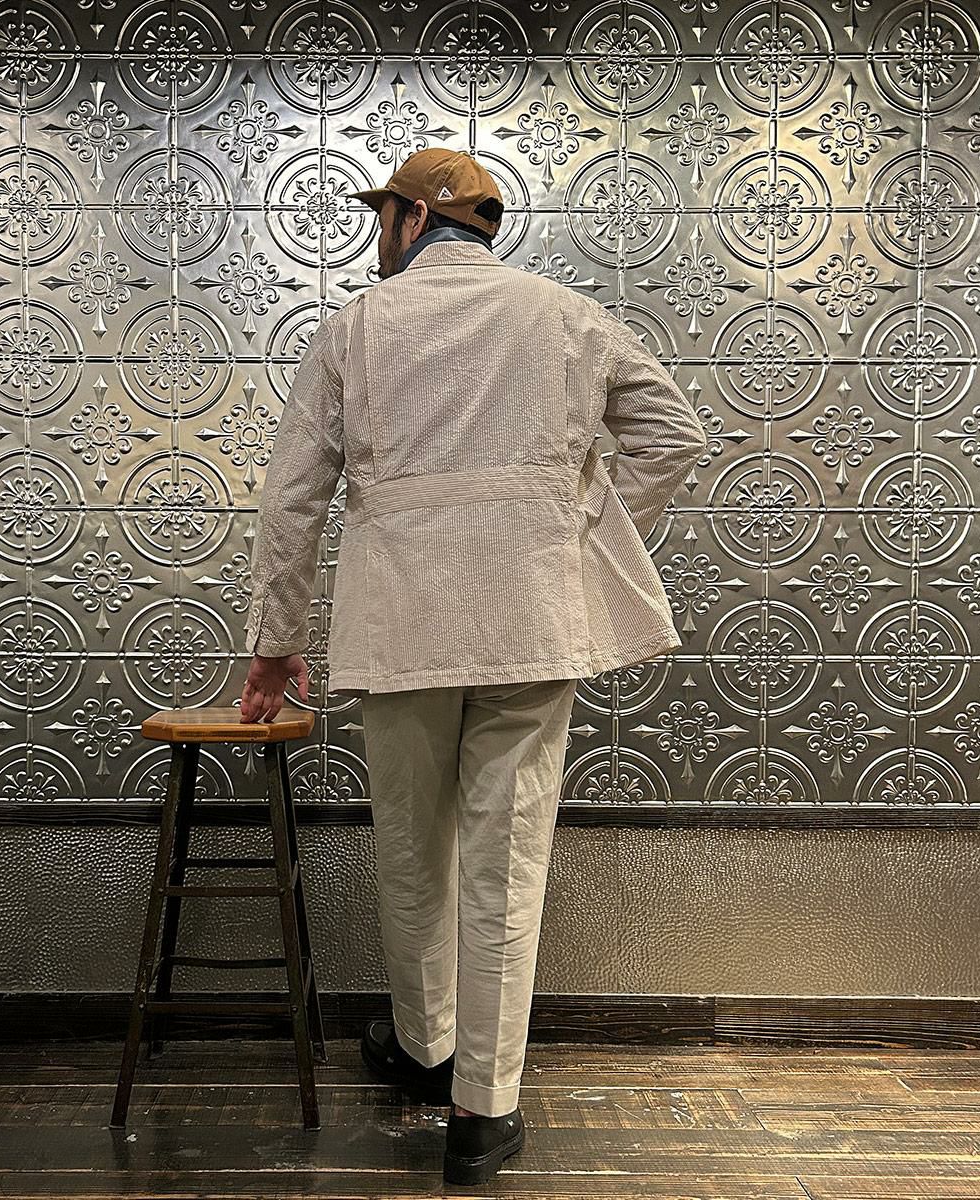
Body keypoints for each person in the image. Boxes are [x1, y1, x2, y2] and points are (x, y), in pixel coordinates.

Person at [238, 147, 708, 1185]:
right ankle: (482, 1110)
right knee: (508, 860)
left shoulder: (356, 327)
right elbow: (673, 435)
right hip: (532, 624)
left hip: (402, 632)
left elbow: (293, 497)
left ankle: (424, 1047)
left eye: (383, 217)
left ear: (412, 219)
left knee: (414, 848)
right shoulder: (567, 317)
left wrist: (275, 645)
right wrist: (576, 537)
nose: (378, 235)